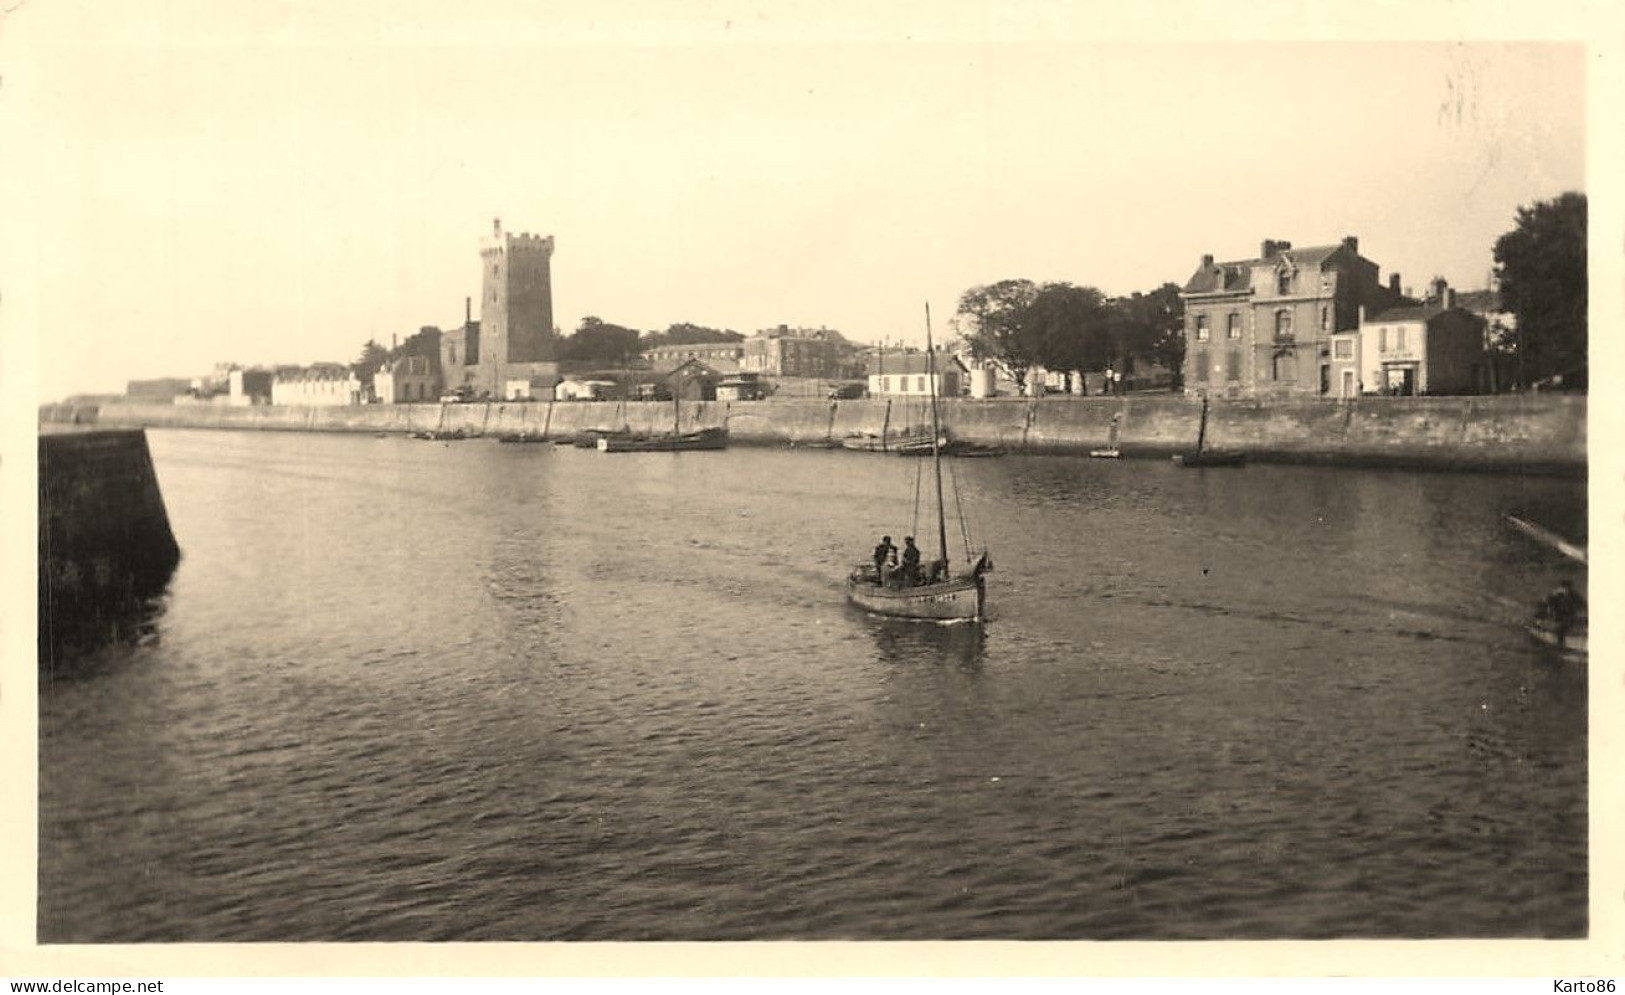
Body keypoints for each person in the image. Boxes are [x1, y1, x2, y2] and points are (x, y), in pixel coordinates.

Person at [1541, 578, 1586, 646]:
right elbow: (1547, 601)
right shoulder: (1557, 594)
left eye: (1568, 587)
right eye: (1566, 587)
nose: (1567, 589)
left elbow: (1583, 604)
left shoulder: (1573, 594)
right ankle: (1560, 644)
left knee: (1569, 624)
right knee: (1562, 628)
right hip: (1560, 616)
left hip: (1569, 616)